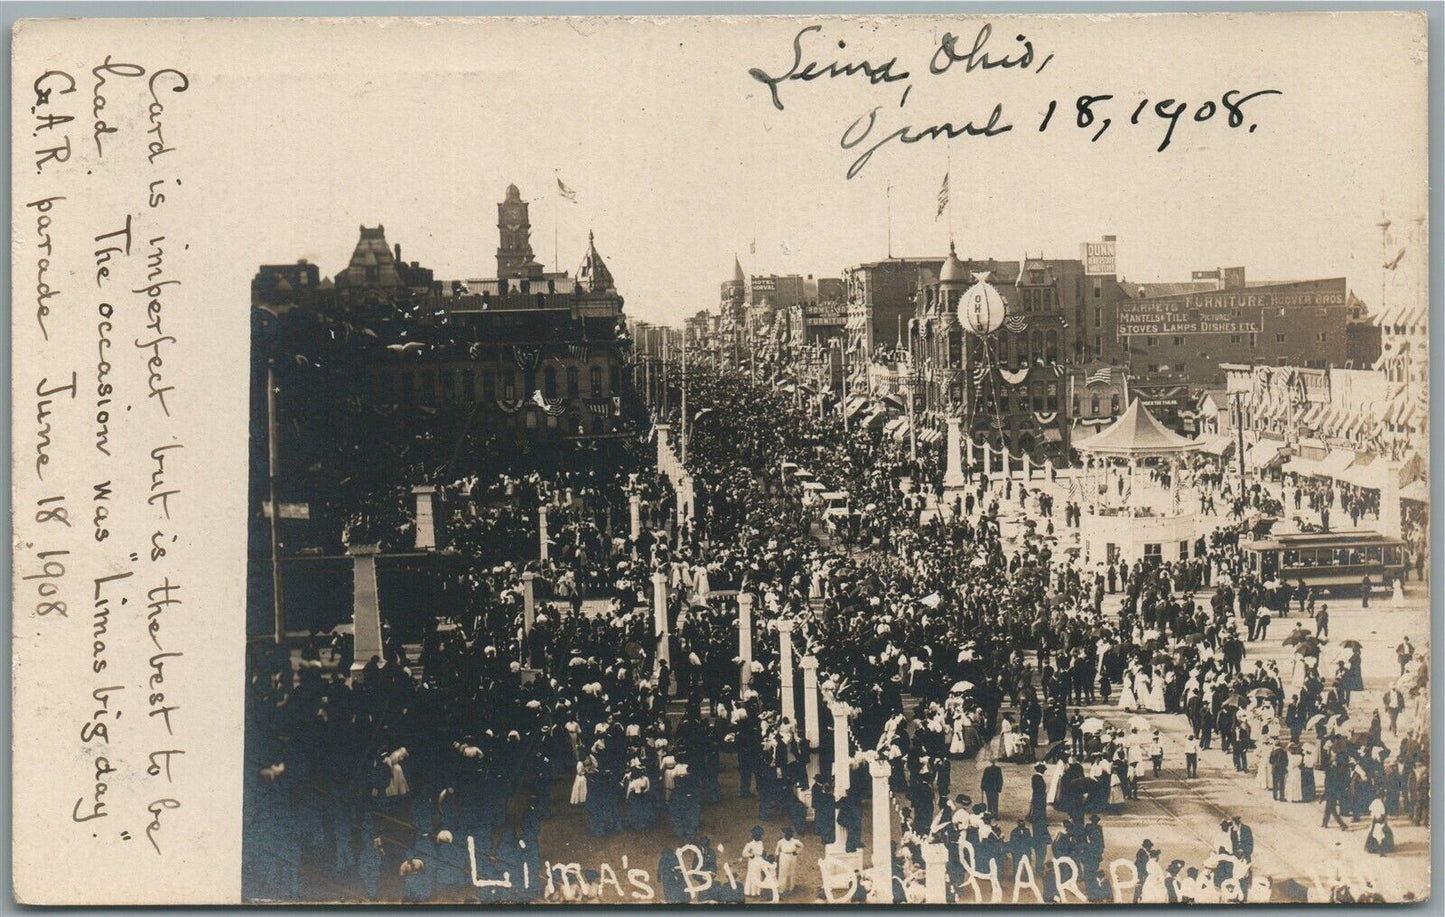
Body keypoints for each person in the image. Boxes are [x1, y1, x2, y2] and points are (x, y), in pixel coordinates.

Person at [774, 826, 802, 896]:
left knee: (791, 872)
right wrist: (777, 858)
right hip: (783, 856)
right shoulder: (780, 842)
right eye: (786, 834)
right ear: (784, 834)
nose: (788, 835)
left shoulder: (795, 841)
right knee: (783, 872)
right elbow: (777, 851)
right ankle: (781, 888)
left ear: (791, 835)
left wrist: (796, 852)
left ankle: (790, 888)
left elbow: (801, 846)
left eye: (789, 834)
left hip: (792, 857)